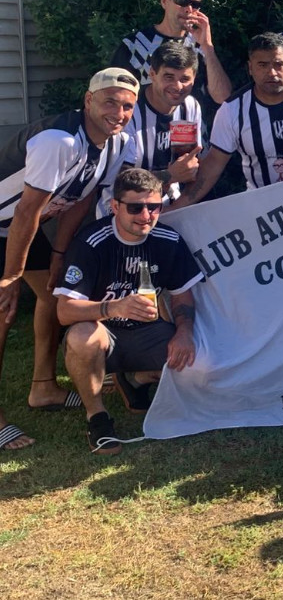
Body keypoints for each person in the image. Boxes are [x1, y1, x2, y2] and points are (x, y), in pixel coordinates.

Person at [0, 68, 136, 450]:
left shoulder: (118, 143)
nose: (118, 113)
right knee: (3, 312)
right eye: (110, 102)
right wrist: (11, 277)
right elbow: (27, 211)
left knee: (52, 296)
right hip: (13, 221)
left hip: (19, 226)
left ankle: (43, 388)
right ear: (88, 101)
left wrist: (59, 254)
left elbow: (82, 199)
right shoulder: (58, 140)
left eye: (127, 106)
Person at [55, 169, 203, 454]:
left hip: (148, 332)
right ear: (115, 206)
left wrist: (184, 333)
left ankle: (135, 379)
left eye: (154, 207)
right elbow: (64, 311)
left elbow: (182, 296)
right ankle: (97, 417)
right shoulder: (91, 242)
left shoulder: (168, 239)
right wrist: (112, 307)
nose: (146, 216)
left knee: (200, 359)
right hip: (102, 334)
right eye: (135, 208)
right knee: (82, 337)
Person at [171, 33, 283, 206]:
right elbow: (213, 165)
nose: (272, 72)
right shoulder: (233, 110)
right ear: (250, 68)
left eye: (279, 64)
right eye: (262, 65)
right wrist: (175, 210)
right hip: (264, 210)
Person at [104, 41, 203, 211]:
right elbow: (121, 180)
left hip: (169, 205)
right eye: (169, 77)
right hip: (123, 209)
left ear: (194, 78)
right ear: (152, 74)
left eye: (185, 79)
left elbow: (189, 164)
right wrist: (169, 175)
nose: (178, 86)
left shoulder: (190, 106)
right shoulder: (128, 111)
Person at [111, 0, 232, 105]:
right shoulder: (135, 44)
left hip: (193, 117)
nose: (189, 9)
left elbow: (223, 98)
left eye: (195, 4)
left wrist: (208, 47)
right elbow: (114, 95)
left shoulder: (200, 45)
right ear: (164, 1)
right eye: (181, 1)